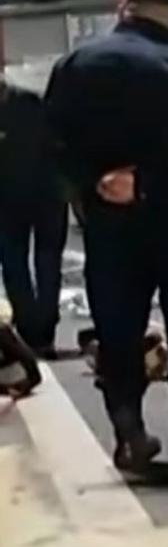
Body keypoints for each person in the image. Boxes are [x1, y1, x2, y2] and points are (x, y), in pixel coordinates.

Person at [44, 0, 168, 476]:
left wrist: (94, 185)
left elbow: (53, 140)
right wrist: (147, 183)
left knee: (118, 328)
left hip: (109, 220)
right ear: (167, 15)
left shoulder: (76, 64)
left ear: (126, 9)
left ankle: (129, 434)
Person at [0, 72, 68, 358]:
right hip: (46, 191)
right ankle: (44, 329)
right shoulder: (31, 102)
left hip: (9, 196)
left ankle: (31, 329)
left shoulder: (26, 103)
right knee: (47, 259)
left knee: (15, 261)